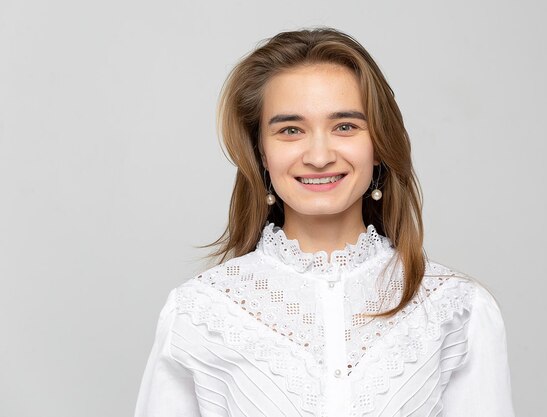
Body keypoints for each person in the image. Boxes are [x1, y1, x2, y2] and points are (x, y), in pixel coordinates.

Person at [134, 28, 515, 417]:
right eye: (290, 130)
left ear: (380, 145)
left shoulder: (457, 310)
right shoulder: (201, 311)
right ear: (261, 152)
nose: (318, 156)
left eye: (345, 126)